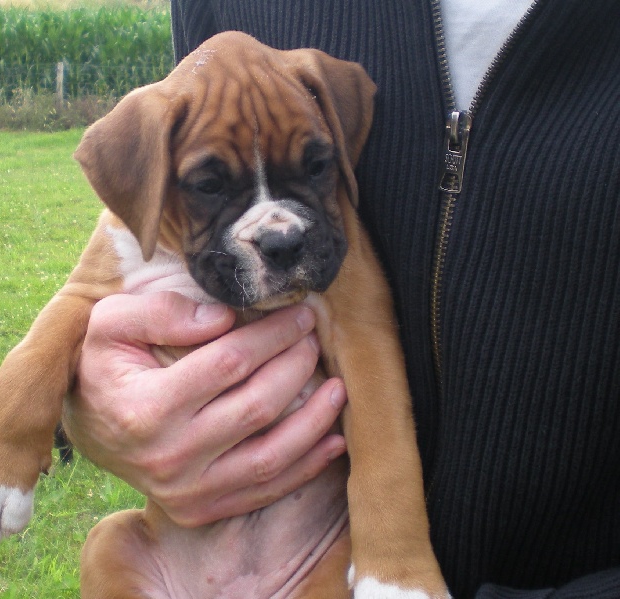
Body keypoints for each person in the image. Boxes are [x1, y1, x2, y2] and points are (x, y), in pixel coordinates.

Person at [71, 1, 620, 597]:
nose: (278, 231)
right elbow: (144, 223)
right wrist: (85, 407)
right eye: (212, 185)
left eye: (315, 167)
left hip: (373, 556)